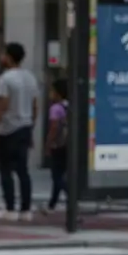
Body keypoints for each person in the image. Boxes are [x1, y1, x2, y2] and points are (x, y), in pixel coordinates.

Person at [0, 42, 40, 221]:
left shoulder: (5, 79)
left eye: (3, 54)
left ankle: (11, 208)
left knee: (5, 170)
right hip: (25, 127)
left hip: (8, 130)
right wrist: (31, 125)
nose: (1, 57)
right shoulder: (30, 77)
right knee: (23, 171)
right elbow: (36, 105)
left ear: (9, 57)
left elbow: (2, 105)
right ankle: (26, 210)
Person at [46, 77, 69, 211]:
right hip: (67, 145)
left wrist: (48, 143)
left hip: (57, 145)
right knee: (59, 174)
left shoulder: (55, 108)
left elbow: (54, 127)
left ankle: (70, 195)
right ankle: (52, 203)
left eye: (52, 91)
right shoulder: (68, 106)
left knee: (56, 176)